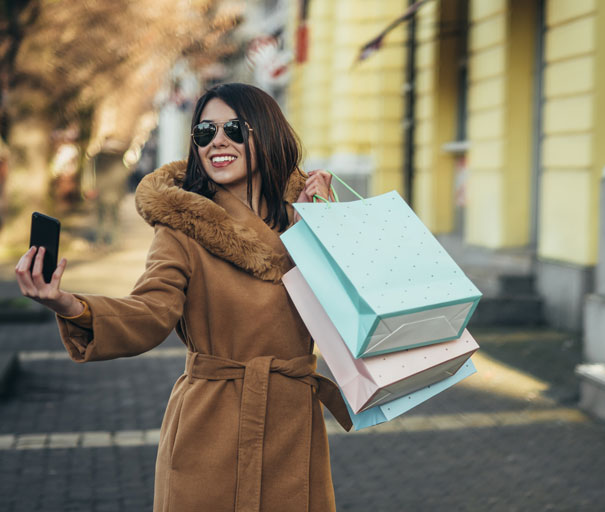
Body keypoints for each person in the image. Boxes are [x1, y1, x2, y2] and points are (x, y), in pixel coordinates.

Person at [15, 83, 352, 512]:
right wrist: (68, 304)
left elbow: (349, 310)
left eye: (233, 128)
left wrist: (323, 224)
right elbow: (149, 311)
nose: (218, 142)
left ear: (266, 134)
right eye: (204, 133)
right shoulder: (182, 230)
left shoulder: (305, 215)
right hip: (211, 427)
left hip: (293, 424)